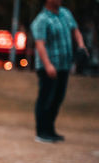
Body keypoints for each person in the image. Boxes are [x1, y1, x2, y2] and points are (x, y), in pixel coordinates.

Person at [31, 0, 88, 143]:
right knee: (46, 98)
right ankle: (41, 132)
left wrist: (81, 46)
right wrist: (48, 65)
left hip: (64, 65)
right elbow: (40, 44)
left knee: (57, 98)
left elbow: (75, 30)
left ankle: (50, 130)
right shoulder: (41, 19)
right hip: (48, 67)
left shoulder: (65, 13)